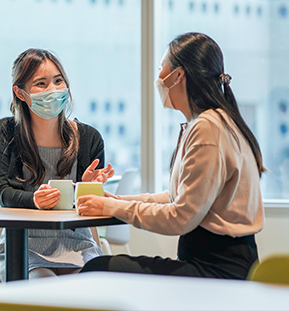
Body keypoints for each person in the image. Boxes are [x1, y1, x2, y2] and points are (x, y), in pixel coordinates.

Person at [78, 32, 265, 280]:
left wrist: (113, 206)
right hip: (219, 264)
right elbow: (179, 197)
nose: (158, 77)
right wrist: (117, 201)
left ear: (178, 76)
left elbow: (181, 217)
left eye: (161, 67)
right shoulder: (214, 121)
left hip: (216, 270)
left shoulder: (208, 127)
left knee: (97, 268)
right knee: (101, 266)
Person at [0, 48, 114, 283]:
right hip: (23, 243)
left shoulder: (89, 137)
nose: (53, 90)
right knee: (43, 285)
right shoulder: (6, 132)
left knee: (87, 287)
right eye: (41, 84)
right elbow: (3, 192)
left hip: (76, 243)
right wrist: (33, 200)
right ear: (21, 93)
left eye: (58, 81)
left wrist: (87, 189)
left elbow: (88, 206)